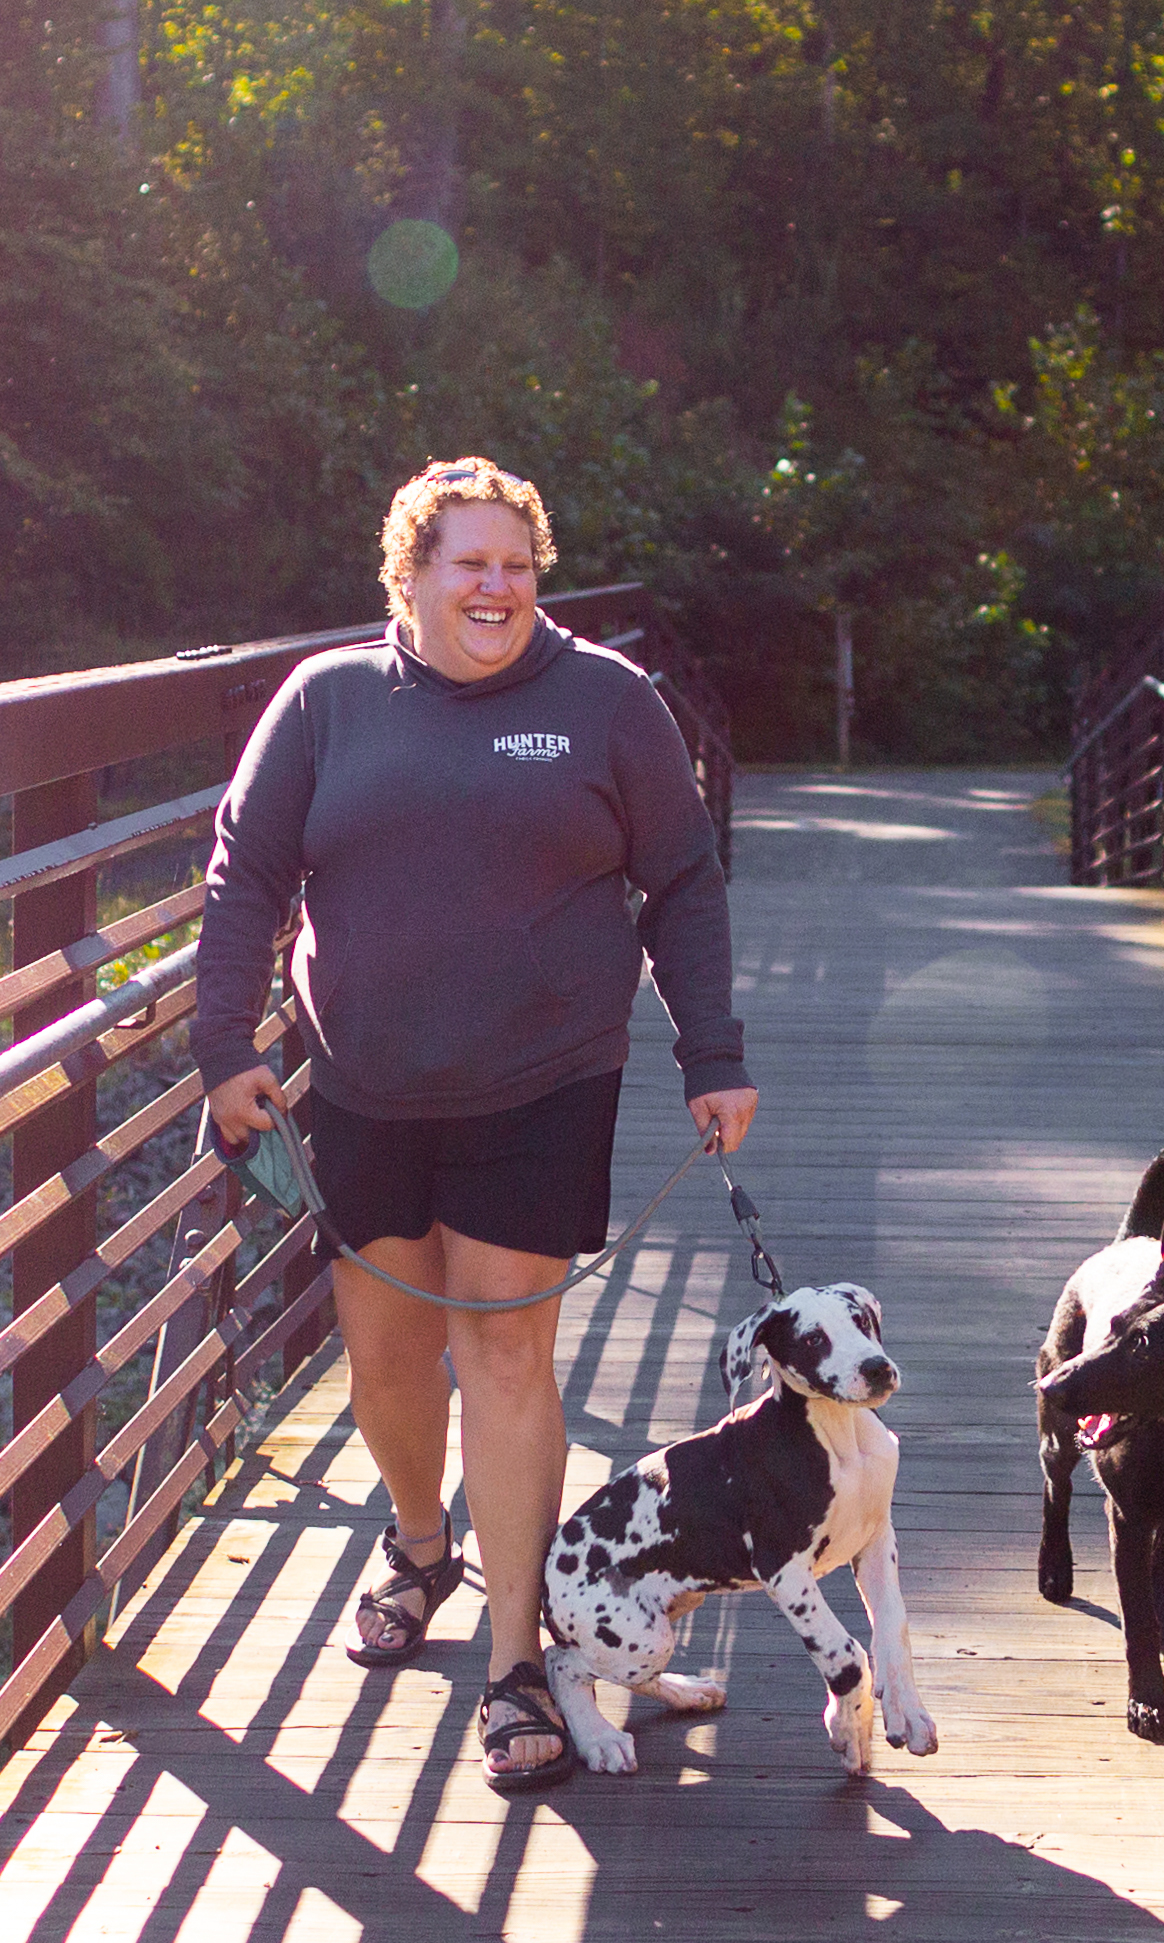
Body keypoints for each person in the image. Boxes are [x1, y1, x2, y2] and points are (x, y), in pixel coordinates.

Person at [194, 458, 759, 1793]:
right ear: (410, 576)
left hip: (542, 1081)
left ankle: (516, 1663)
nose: (496, 585)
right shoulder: (327, 702)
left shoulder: (606, 702)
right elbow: (245, 872)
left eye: (516, 562)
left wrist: (713, 1052)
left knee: (504, 1350)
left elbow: (682, 878)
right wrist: (226, 1045)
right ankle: (416, 1538)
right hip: (362, 1085)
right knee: (387, 1357)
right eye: (468, 562)